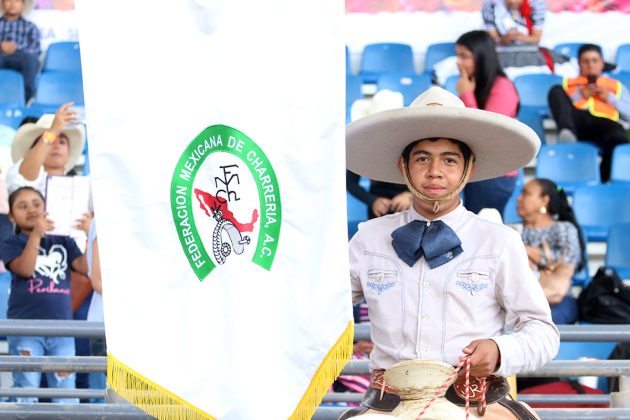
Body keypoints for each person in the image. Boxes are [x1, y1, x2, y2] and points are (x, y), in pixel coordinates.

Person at [343, 86, 559, 418]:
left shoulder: (498, 241)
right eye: (422, 158)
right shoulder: (367, 239)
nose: (435, 171)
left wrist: (500, 350)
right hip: (388, 409)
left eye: (449, 159)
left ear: (468, 169)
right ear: (403, 166)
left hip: (475, 405)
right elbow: (323, 309)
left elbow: (544, 333)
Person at [0, 186, 89, 403]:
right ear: (11, 215)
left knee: (65, 390)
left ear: (46, 209)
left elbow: (84, 267)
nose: (31, 209)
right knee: (26, 388)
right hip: (25, 328)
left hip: (62, 328)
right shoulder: (11, 243)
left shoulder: (63, 240)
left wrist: (89, 233)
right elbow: (26, 269)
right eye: (22, 206)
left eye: (37, 204)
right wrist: (37, 236)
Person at [455, 30, 519, 216]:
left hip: (496, 174)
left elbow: (485, 131)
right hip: (479, 171)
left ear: (481, 56)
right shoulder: (474, 84)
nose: (458, 62)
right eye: (457, 55)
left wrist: (466, 94)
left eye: (464, 56)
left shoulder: (502, 87)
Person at [548, 44, 630, 182]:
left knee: (618, 137)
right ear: (579, 64)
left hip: (605, 124)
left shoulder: (616, 86)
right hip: (576, 122)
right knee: (555, 90)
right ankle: (567, 133)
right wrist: (579, 95)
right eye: (585, 61)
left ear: (602, 63)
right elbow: (556, 111)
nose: (590, 65)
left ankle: (602, 181)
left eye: (594, 60)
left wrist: (610, 98)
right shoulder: (568, 84)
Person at [516, 178, 585, 325]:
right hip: (519, 301)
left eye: (526, 194)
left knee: (537, 325)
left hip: (555, 301)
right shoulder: (513, 230)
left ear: (544, 200)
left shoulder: (563, 229)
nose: (519, 198)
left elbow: (565, 262)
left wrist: (524, 250)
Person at [6, 102, 84, 195]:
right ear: (35, 148)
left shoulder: (80, 186)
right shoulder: (18, 173)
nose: (57, 146)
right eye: (51, 141)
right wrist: (53, 131)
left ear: (69, 152)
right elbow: (24, 177)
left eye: (62, 142)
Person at [0, 0, 40, 101]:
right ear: (2, 4)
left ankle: (25, 99)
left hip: (21, 58)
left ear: (23, 6)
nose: (12, 4)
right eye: (8, 0)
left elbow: (35, 49)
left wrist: (15, 48)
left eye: (16, 1)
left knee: (31, 59)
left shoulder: (30, 26)